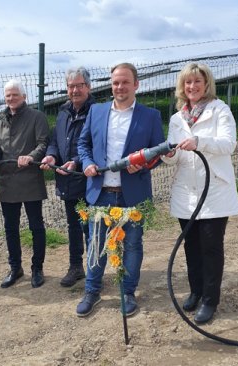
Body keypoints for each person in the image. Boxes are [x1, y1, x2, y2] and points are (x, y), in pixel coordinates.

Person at [76, 62, 165, 317]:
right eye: (116, 82)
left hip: (133, 194)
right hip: (100, 191)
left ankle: (128, 292)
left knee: (133, 245)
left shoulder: (150, 116)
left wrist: (144, 165)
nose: (120, 87)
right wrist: (88, 162)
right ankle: (92, 291)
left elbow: (158, 152)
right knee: (96, 243)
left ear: (136, 84)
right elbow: (84, 143)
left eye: (125, 82)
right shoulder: (96, 111)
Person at [161, 63, 238, 324]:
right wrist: (169, 155)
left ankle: (210, 299)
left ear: (206, 84)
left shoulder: (220, 110)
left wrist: (200, 142)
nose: (192, 87)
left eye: (197, 81)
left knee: (210, 247)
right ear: (182, 87)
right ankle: (195, 291)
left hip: (214, 190)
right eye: (187, 83)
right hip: (186, 191)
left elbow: (229, 144)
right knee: (191, 245)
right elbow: (174, 158)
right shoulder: (177, 118)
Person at [0, 79, 49, 289]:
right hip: (7, 181)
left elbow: (43, 143)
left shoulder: (36, 117)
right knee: (10, 228)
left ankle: (37, 268)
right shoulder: (0, 120)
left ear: (24, 96)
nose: (11, 99)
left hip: (30, 180)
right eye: (7, 96)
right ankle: (15, 268)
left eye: (14, 95)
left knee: (36, 226)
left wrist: (30, 156)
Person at [40, 67, 94, 287]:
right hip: (66, 180)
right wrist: (51, 156)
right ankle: (75, 266)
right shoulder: (63, 112)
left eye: (79, 85)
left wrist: (77, 162)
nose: (74, 90)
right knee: (73, 226)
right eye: (71, 86)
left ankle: (94, 269)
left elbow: (96, 146)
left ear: (88, 87)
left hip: (88, 180)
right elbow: (55, 141)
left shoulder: (97, 112)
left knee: (90, 227)